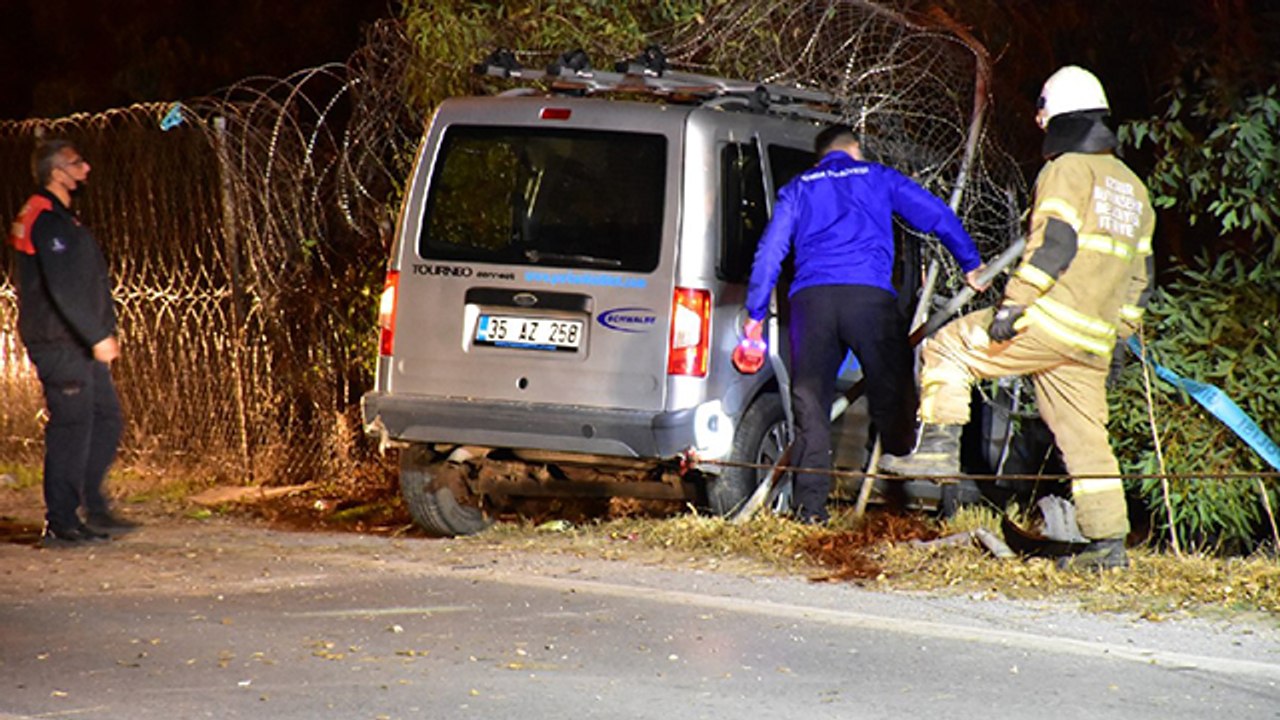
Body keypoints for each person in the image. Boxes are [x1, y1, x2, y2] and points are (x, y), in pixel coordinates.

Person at [879, 66, 1155, 570]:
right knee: (1085, 437)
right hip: (1093, 338)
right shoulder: (1134, 189)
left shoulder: (1066, 169)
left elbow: (1055, 244)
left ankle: (938, 448)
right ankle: (1108, 544)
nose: (1038, 119)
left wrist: (1015, 304)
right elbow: (1141, 277)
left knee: (947, 347)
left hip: (1049, 318)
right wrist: (1120, 338)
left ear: (1061, 114)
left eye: (1043, 111)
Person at [738, 125, 986, 524]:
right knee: (892, 391)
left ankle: (809, 513)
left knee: (811, 406)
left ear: (820, 158)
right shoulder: (876, 176)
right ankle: (901, 491)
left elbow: (769, 252)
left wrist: (754, 315)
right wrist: (971, 264)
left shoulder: (799, 188)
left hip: (812, 302)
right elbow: (934, 214)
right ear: (854, 150)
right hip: (868, 298)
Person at [9, 137, 134, 547]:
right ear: (56, 173)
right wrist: (96, 335)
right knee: (72, 427)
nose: (86, 169)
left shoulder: (60, 217)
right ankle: (62, 521)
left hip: (75, 339)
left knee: (105, 417)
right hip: (62, 341)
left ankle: (88, 503)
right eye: (77, 163)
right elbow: (62, 288)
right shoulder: (46, 218)